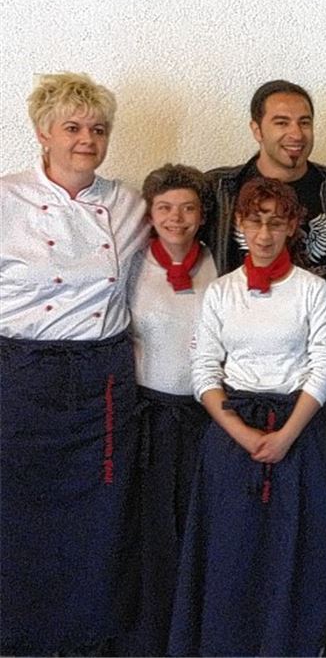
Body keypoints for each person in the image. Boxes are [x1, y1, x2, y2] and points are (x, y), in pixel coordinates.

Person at [0, 72, 149, 656]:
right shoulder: (4, 199)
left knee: (100, 512)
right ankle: (16, 636)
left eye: (98, 128)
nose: (87, 139)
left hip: (101, 378)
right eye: (73, 127)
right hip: (21, 373)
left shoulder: (127, 204)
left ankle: (88, 637)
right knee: (18, 508)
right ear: (43, 133)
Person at [169, 177, 326, 656]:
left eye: (275, 222)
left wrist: (286, 435)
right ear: (241, 226)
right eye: (254, 221)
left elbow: (325, 362)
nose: (264, 234)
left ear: (292, 227)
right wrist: (242, 434)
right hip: (234, 428)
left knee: (297, 544)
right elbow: (204, 369)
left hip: (298, 426)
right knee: (233, 548)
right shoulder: (222, 292)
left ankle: (294, 643)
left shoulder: (311, 290)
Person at [123, 164, 218, 655]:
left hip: (206, 419)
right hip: (150, 419)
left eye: (186, 208)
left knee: (198, 529)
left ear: (202, 215)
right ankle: (150, 636)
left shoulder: (217, 264)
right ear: (150, 213)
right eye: (164, 208)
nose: (175, 218)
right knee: (152, 532)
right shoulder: (132, 265)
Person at [203, 79, 326, 281]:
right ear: (257, 130)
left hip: (320, 310)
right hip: (239, 309)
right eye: (282, 123)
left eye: (304, 123)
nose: (296, 134)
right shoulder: (219, 188)